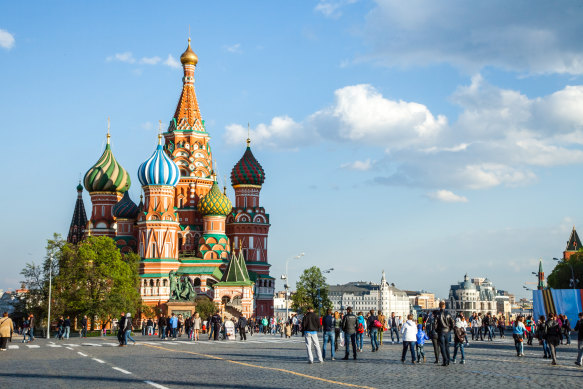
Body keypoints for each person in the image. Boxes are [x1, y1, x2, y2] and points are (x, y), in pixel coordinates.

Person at [435, 301, 454, 366]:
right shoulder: (448, 313)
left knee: (442, 347)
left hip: (441, 331)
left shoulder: (437, 314)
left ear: (439, 306)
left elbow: (435, 324)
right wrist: (449, 329)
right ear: (444, 306)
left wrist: (437, 330)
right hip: (447, 331)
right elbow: (452, 323)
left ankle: (445, 360)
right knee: (447, 346)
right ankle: (448, 360)